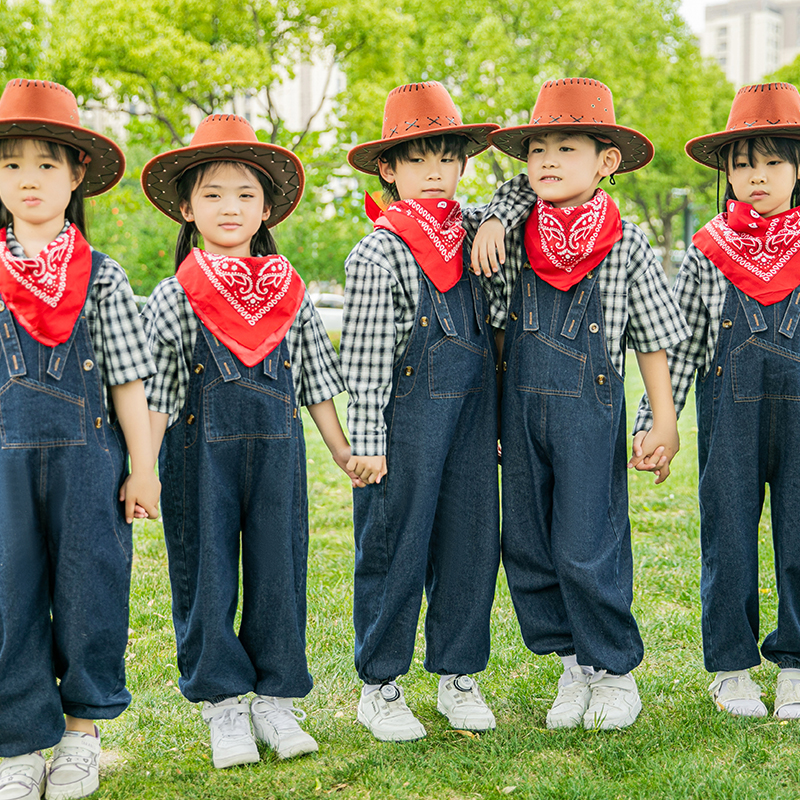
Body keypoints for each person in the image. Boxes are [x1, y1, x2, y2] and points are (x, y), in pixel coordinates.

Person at [140, 114, 356, 768]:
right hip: (196, 456)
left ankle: (277, 702)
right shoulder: (175, 295)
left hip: (278, 455)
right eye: (212, 194)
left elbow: (317, 379)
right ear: (186, 207)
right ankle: (225, 707)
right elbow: (155, 394)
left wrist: (343, 451)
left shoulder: (290, 293)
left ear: (267, 208)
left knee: (279, 571)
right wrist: (143, 468)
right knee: (205, 573)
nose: (229, 207)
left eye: (244, 195)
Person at [474, 78, 688, 730]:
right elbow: (500, 328)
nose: (546, 159)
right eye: (537, 148)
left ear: (606, 162)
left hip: (589, 411)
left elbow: (653, 339)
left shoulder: (625, 243)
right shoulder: (513, 232)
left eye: (566, 147)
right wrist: (494, 215)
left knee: (587, 543)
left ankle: (614, 672)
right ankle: (571, 666)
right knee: (530, 545)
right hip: (521, 404)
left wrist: (664, 421)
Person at [341, 80, 522, 742]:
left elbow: (527, 187)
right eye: (418, 159)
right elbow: (362, 360)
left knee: (472, 544)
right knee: (395, 548)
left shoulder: (478, 233)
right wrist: (367, 441)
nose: (436, 172)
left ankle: (457, 675)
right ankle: (380, 684)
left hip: (474, 416)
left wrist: (499, 216)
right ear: (388, 169)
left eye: (448, 157)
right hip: (402, 424)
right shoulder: (380, 249)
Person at [0, 79, 160, 800]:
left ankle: (80, 732)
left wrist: (145, 468)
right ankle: (18, 742)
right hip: (3, 465)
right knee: (10, 596)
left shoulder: (103, 276)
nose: (28, 179)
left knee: (93, 591)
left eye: (45, 164)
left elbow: (131, 380)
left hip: (91, 461)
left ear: (76, 176)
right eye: (12, 165)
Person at [634, 82, 800, 719]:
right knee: (727, 536)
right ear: (726, 173)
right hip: (728, 416)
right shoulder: (708, 252)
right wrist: (658, 423)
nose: (755, 176)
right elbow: (678, 348)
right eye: (742, 164)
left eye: (771, 162)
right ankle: (731, 667)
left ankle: (793, 662)